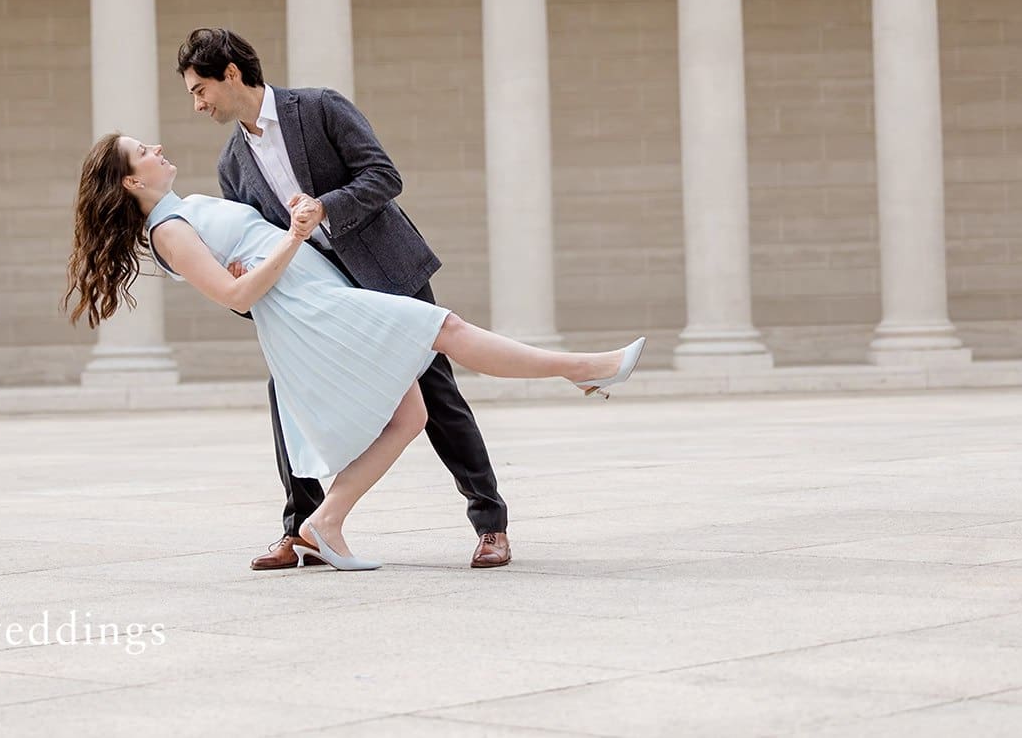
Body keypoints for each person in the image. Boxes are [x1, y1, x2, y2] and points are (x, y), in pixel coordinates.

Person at [65, 133, 645, 571]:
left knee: (411, 414)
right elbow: (235, 294)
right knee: (444, 328)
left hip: (318, 293)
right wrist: (292, 237)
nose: (156, 148)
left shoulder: (184, 207)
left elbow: (244, 266)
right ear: (131, 182)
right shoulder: (167, 229)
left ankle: (326, 522)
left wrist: (277, 246)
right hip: (308, 308)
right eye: (141, 151)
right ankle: (585, 369)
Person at [174, 27, 519, 571]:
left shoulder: (319, 108)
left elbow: (384, 176)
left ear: (232, 74)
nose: (197, 104)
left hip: (384, 268)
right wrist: (243, 277)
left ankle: (490, 524)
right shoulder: (231, 164)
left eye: (200, 89)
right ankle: (300, 530)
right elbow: (255, 239)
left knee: (437, 393)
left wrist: (325, 207)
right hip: (316, 295)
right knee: (287, 392)